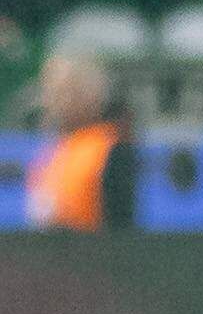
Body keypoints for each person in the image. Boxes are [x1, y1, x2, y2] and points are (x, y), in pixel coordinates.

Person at [26, 50, 137, 232]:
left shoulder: (110, 148)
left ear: (90, 95)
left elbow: (121, 226)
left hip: (91, 253)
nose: (52, 101)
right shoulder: (53, 150)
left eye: (64, 91)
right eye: (50, 91)